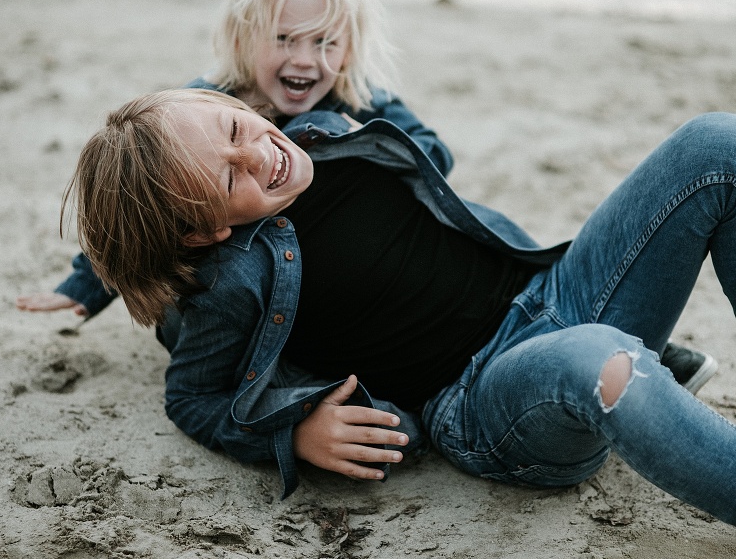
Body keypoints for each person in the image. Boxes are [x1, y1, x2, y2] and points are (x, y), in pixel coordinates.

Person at [60, 89, 736, 525]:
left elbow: (400, 125)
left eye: (238, 126)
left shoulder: (325, 134)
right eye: (230, 174)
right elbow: (191, 397)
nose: (259, 153)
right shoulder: (231, 280)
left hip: (558, 290)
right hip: (489, 398)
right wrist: (289, 434)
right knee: (606, 361)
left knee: (713, 144)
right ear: (206, 231)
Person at [16, 0, 452, 319]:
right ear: (244, 36)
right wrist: (85, 286)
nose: (304, 58)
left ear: (349, 48)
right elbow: (142, 203)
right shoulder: (207, 107)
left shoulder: (359, 99)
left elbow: (436, 155)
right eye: (284, 38)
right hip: (226, 274)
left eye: (324, 41)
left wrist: (364, 143)